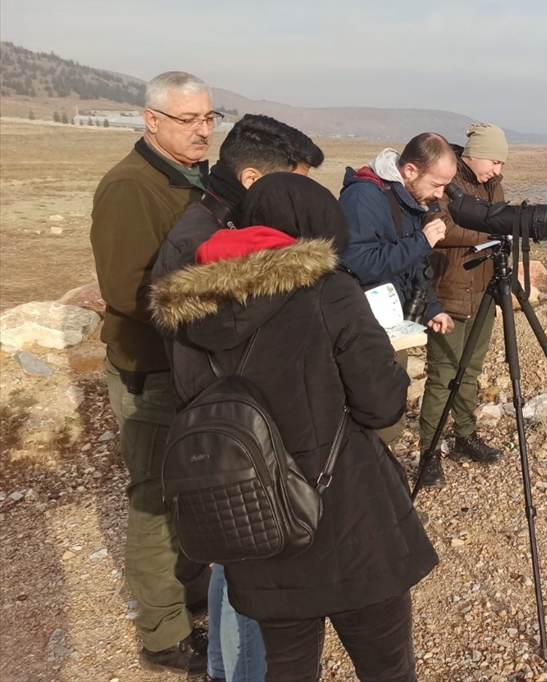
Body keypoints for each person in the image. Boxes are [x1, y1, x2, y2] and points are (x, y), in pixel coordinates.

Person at [150, 174, 438, 682]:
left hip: (254, 525)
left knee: (286, 669)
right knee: (386, 668)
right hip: (350, 523)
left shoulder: (186, 313)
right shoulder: (330, 291)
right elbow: (382, 405)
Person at [152, 112, 322, 682]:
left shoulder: (208, 225)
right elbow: (228, 341)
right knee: (252, 573)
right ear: (254, 179)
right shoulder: (210, 243)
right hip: (234, 428)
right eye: (293, 182)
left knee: (236, 561)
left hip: (226, 421)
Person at [90, 71, 216, 674]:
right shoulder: (129, 187)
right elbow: (126, 289)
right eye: (188, 119)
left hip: (189, 363)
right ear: (151, 120)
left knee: (189, 489)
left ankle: (187, 596)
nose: (202, 129)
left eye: (209, 117)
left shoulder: (194, 181)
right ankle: (163, 634)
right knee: (153, 497)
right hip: (153, 367)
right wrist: (216, 311)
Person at [338, 133, 457, 446]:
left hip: (392, 325)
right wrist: (421, 242)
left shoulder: (407, 198)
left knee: (390, 409)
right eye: (437, 184)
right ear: (410, 171)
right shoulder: (364, 197)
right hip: (363, 329)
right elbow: (359, 262)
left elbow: (409, 266)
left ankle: (384, 475)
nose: (441, 194)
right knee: (372, 414)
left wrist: (431, 308)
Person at [418, 123, 510, 489]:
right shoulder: (447, 174)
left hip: (483, 288)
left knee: (470, 370)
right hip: (449, 291)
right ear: (474, 154)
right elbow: (439, 229)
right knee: (443, 374)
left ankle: (464, 435)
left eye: (502, 163)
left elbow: (499, 218)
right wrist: (491, 231)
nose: (498, 170)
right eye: (494, 161)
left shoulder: (491, 183)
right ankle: (428, 452)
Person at [153, 113, 324, 281]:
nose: (299, 196)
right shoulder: (198, 251)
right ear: (251, 179)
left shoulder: (233, 216)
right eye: (293, 186)